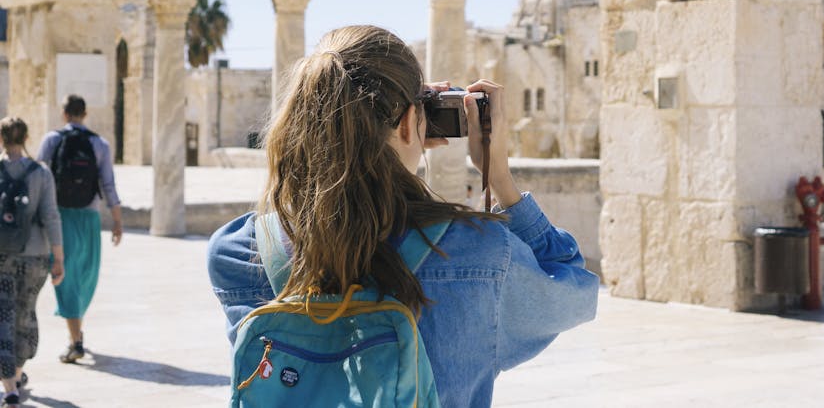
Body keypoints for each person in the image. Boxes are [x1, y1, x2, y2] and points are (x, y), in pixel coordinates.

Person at [208, 25, 599, 407]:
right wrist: (499, 179)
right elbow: (576, 291)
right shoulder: (478, 255)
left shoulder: (238, 252)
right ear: (412, 121)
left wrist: (406, 122)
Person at [36, 95, 123, 364]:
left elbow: (38, 177)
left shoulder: (51, 140)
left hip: (60, 216)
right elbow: (108, 184)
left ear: (64, 114)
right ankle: (76, 337)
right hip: (90, 216)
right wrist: (117, 220)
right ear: (85, 114)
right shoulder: (99, 144)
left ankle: (75, 338)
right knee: (85, 275)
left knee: (67, 276)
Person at [0, 117, 64, 406]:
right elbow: (51, 215)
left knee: (3, 317)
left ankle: (10, 387)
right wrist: (58, 258)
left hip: (2, 256)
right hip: (35, 255)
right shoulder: (41, 172)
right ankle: (17, 371)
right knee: (25, 315)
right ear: (26, 137)